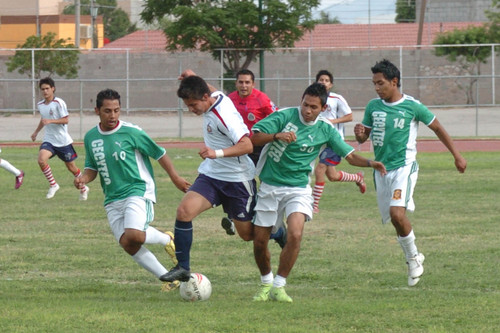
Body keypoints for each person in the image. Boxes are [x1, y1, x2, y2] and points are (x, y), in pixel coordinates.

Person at [251, 83, 387, 302]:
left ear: (323, 108)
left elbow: (350, 156)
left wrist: (371, 163)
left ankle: (279, 285)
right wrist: (277, 136)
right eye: (305, 104)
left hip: (298, 188)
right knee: (259, 242)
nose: (307, 110)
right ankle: (266, 283)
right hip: (270, 186)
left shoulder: (325, 129)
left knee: (295, 233)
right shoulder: (284, 116)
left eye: (313, 107)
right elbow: (253, 138)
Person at [354, 59, 467, 287]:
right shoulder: (373, 107)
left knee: (397, 214)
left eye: (380, 83)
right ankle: (414, 256)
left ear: (394, 82)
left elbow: (437, 127)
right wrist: (359, 134)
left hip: (404, 167)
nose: (376, 88)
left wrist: (457, 155)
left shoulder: (412, 106)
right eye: (374, 83)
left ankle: (413, 258)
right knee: (396, 220)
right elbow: (362, 137)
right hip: (381, 170)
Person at [74, 89, 191, 291]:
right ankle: (169, 278)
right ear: (97, 111)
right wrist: (83, 178)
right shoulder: (91, 137)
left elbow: (159, 153)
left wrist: (175, 178)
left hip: (137, 190)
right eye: (107, 111)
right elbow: (92, 167)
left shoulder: (132, 132)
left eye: (117, 110)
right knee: (128, 244)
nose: (113, 116)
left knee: (135, 234)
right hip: (112, 198)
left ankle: (166, 239)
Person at [159, 74, 258, 283]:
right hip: (212, 175)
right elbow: (208, 86)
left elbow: (247, 146)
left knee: (247, 234)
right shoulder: (213, 95)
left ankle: (277, 232)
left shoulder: (224, 116)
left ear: (205, 97)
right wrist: (192, 76)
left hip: (237, 179)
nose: (191, 110)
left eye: (193, 105)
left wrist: (217, 153)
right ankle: (183, 267)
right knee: (184, 212)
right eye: (187, 106)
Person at [222, 69, 277, 235]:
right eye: (241, 82)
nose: (244, 85)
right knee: (236, 180)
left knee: (263, 181)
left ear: (253, 84)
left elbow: (277, 117)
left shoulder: (262, 99)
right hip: (239, 146)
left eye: (247, 82)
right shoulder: (229, 100)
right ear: (236, 83)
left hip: (258, 146)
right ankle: (235, 217)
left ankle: (264, 213)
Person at [311, 70, 366, 214]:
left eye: (326, 80)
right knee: (332, 176)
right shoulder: (313, 99)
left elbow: (349, 116)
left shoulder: (337, 98)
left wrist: (332, 121)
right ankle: (357, 177)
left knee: (319, 169)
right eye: (320, 79)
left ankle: (314, 205)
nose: (323, 82)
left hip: (334, 141)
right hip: (320, 141)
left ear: (331, 84)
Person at [31, 77, 89, 200]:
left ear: (53, 89)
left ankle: (83, 188)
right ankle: (53, 185)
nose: (45, 91)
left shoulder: (59, 103)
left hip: (63, 142)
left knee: (71, 167)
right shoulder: (40, 105)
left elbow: (66, 120)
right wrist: (36, 132)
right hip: (49, 140)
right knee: (41, 160)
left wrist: (51, 121)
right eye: (42, 89)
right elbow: (43, 120)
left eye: (47, 88)